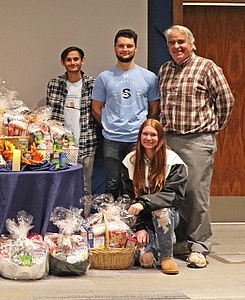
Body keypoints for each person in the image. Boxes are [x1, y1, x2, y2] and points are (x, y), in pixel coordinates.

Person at [159, 25, 234, 269]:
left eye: (181, 42)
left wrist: (212, 127)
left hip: (197, 141)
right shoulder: (165, 70)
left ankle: (200, 246)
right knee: (175, 194)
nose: (177, 47)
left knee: (196, 194)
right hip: (170, 141)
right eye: (172, 43)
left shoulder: (207, 67)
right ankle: (182, 241)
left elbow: (226, 100)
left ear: (191, 43)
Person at [92, 28, 160, 198]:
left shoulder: (149, 77)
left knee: (135, 183)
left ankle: (134, 221)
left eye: (129, 46)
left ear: (136, 48)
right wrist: (108, 126)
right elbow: (96, 108)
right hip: (112, 139)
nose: (125, 49)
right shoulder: (104, 77)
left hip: (137, 139)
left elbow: (154, 109)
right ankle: (113, 222)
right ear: (115, 48)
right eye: (121, 46)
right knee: (112, 183)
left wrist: (143, 129)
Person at [120, 119, 187, 275]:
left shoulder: (174, 161)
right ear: (139, 136)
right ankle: (152, 244)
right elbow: (128, 197)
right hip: (141, 218)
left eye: (153, 135)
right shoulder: (130, 160)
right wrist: (140, 228)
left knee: (161, 212)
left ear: (161, 138)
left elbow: (174, 195)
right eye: (145, 134)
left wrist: (144, 203)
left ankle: (166, 256)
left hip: (168, 215)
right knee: (146, 261)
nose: (148, 138)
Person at [46, 46, 97, 194]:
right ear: (63, 62)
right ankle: (60, 216)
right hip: (60, 146)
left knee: (85, 187)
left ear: (83, 60)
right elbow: (49, 115)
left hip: (86, 145)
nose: (73, 62)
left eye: (76, 59)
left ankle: (85, 217)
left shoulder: (92, 84)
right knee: (59, 186)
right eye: (69, 60)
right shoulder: (54, 84)